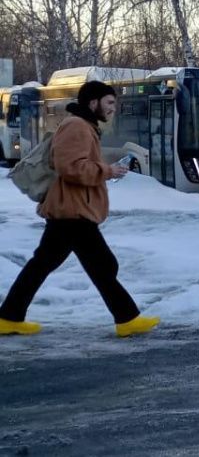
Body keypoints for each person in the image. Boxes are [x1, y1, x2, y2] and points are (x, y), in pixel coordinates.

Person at [0, 81, 159, 338]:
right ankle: (127, 319)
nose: (113, 108)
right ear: (93, 102)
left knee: (46, 265)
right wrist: (107, 171)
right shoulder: (77, 126)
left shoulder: (84, 125)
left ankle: (9, 317)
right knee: (101, 266)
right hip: (73, 211)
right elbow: (70, 167)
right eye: (109, 102)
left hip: (71, 210)